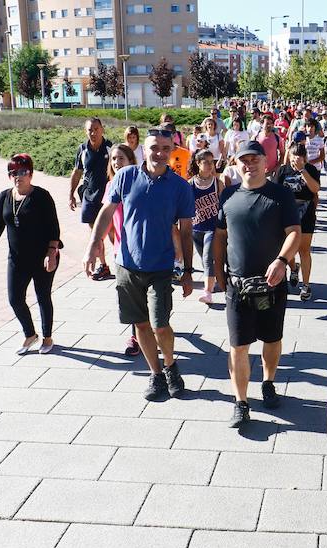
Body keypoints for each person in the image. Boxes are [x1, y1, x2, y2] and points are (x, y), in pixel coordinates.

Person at [85, 126, 196, 403]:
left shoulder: (180, 187)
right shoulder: (124, 177)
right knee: (141, 325)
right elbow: (107, 212)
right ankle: (156, 373)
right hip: (127, 265)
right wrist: (93, 245)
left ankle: (171, 366)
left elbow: (185, 231)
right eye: (154, 148)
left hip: (161, 266)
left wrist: (188, 273)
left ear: (172, 151)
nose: (159, 153)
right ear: (143, 150)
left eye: (165, 148)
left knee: (160, 324)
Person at [213, 141, 301, 428]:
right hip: (237, 286)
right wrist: (216, 272)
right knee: (238, 346)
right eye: (244, 161)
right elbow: (220, 237)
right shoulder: (227, 195)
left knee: (272, 339)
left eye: (255, 160)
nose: (249, 165)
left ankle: (268, 381)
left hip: (271, 284)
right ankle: (240, 402)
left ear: (266, 163)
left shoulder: (280, 195)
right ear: (236, 164)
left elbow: (294, 233)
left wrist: (282, 261)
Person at [0, 154, 61, 355]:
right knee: (15, 298)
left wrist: (51, 254)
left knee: (42, 296)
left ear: (31, 174)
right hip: (17, 258)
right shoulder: (4, 197)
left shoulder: (42, 196)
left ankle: (47, 337)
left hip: (43, 256)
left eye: (23, 171)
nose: (19, 176)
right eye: (13, 172)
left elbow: (54, 228)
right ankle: (30, 334)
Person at [105, 144, 141, 357]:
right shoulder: (111, 187)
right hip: (122, 251)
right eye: (113, 159)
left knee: (144, 296)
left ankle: (149, 328)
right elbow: (107, 219)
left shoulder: (140, 184)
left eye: (121, 159)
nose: (116, 163)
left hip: (144, 250)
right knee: (129, 296)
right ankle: (136, 336)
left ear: (130, 161)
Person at [69, 117, 112, 280]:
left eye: (96, 129)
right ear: (85, 131)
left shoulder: (110, 148)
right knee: (96, 234)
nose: (93, 133)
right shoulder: (82, 150)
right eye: (90, 130)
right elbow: (77, 172)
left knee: (113, 234)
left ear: (102, 129)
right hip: (89, 197)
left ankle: (124, 262)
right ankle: (103, 265)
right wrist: (71, 194)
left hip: (109, 198)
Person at [276, 143, 320, 301]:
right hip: (287, 212)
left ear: (304, 158)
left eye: (299, 156)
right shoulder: (283, 170)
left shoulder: (311, 169)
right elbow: (275, 191)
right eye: (293, 155)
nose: (295, 159)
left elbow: (315, 189)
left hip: (306, 212)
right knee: (287, 248)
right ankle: (293, 268)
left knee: (304, 249)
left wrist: (303, 171)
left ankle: (306, 285)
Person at [188, 149, 224, 305]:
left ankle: (207, 292)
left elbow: (224, 205)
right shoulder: (190, 183)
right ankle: (215, 279)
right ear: (198, 163)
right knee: (205, 261)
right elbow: (185, 206)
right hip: (196, 227)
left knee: (207, 259)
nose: (210, 165)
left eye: (212, 162)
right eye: (206, 162)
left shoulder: (218, 183)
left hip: (213, 228)